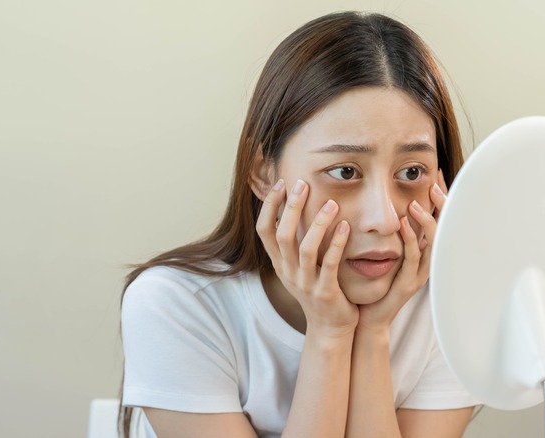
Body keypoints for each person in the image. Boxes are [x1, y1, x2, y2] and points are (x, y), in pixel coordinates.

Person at [119, 11, 479, 438]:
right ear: (263, 173)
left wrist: (372, 334)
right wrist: (330, 332)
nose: (383, 220)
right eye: (345, 172)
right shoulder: (177, 305)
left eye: (412, 172)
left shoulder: (453, 311)